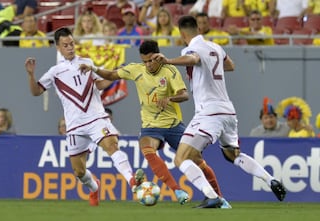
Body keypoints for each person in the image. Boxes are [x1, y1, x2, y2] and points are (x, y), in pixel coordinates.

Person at [151, 15, 286, 208]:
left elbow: (193, 58)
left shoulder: (191, 48)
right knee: (233, 155)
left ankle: (212, 196)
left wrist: (169, 61)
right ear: (198, 29)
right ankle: (270, 179)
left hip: (209, 112)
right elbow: (230, 65)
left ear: (182, 34)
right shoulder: (215, 47)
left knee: (181, 158)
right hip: (228, 111)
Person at [79, 40, 231, 208]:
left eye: (152, 60)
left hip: (174, 125)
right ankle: (177, 190)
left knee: (197, 160)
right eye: (145, 61)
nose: (149, 64)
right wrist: (94, 69)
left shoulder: (170, 71)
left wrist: (170, 98)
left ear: (158, 56)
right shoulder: (136, 70)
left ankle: (219, 197)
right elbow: (111, 75)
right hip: (150, 126)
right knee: (146, 147)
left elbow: (184, 95)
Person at [24, 27, 143, 206]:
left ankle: (131, 180)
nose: (70, 48)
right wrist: (31, 75)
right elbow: (35, 92)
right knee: (79, 171)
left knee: (111, 145)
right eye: (65, 45)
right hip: (74, 126)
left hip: (96, 118)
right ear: (58, 47)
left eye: (72, 43)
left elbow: (101, 84)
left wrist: (116, 75)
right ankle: (95, 187)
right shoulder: (55, 72)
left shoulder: (87, 63)